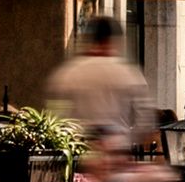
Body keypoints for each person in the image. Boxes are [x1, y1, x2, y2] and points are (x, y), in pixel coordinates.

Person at [43, 17, 155, 160]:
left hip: (79, 151)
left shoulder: (68, 73)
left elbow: (55, 116)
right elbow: (145, 119)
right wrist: (128, 140)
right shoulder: (129, 74)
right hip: (116, 152)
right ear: (115, 41)